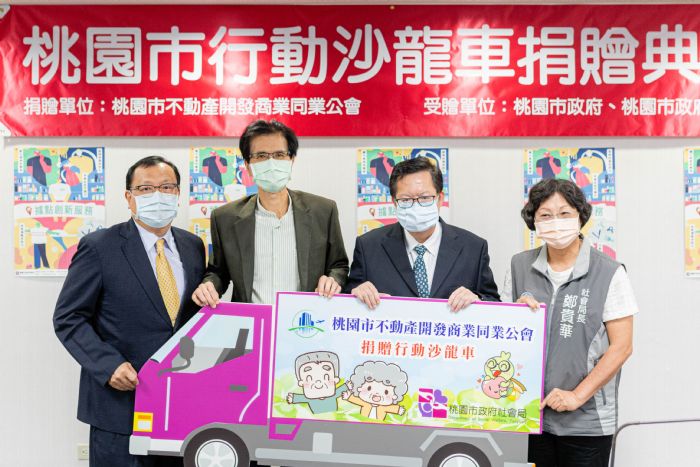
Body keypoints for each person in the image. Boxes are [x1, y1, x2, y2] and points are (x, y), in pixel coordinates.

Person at [54, 156, 206, 467]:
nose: (158, 195)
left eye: (167, 187)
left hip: (180, 407)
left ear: (178, 193)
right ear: (129, 197)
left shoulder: (193, 246)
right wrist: (107, 365)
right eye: (146, 188)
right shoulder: (99, 247)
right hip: (120, 404)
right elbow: (69, 317)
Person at [503, 178, 637, 467]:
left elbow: (622, 346)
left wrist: (577, 396)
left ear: (580, 216)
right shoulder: (519, 266)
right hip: (528, 414)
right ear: (533, 221)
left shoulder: (610, 272)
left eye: (564, 213)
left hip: (586, 421)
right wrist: (512, 314)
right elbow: (500, 333)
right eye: (545, 215)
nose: (556, 222)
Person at [192, 119, 349, 308]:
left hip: (306, 318)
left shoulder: (323, 211)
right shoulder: (225, 218)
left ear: (291, 160)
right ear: (248, 166)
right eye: (261, 156)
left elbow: (338, 265)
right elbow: (219, 272)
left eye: (279, 155)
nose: (271, 163)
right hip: (251, 320)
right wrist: (209, 286)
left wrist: (333, 280)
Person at [344, 157, 500, 310]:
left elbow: (495, 303)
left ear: (440, 199)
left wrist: (479, 301)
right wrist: (355, 295)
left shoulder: (473, 248)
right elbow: (346, 302)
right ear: (394, 202)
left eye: (425, 197)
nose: (416, 206)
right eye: (406, 199)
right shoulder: (368, 246)